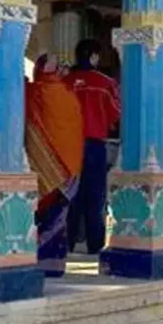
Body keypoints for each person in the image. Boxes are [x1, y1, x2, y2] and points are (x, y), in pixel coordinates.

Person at [25, 54, 84, 277]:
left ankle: (33, 259)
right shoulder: (68, 95)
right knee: (58, 216)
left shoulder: (33, 92)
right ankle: (53, 264)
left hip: (42, 165)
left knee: (39, 212)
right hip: (70, 167)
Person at [67, 39, 120, 255]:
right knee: (96, 196)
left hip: (69, 146)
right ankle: (95, 245)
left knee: (70, 195)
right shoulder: (105, 83)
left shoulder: (65, 82)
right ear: (94, 56)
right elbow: (115, 114)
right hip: (95, 145)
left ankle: (68, 243)